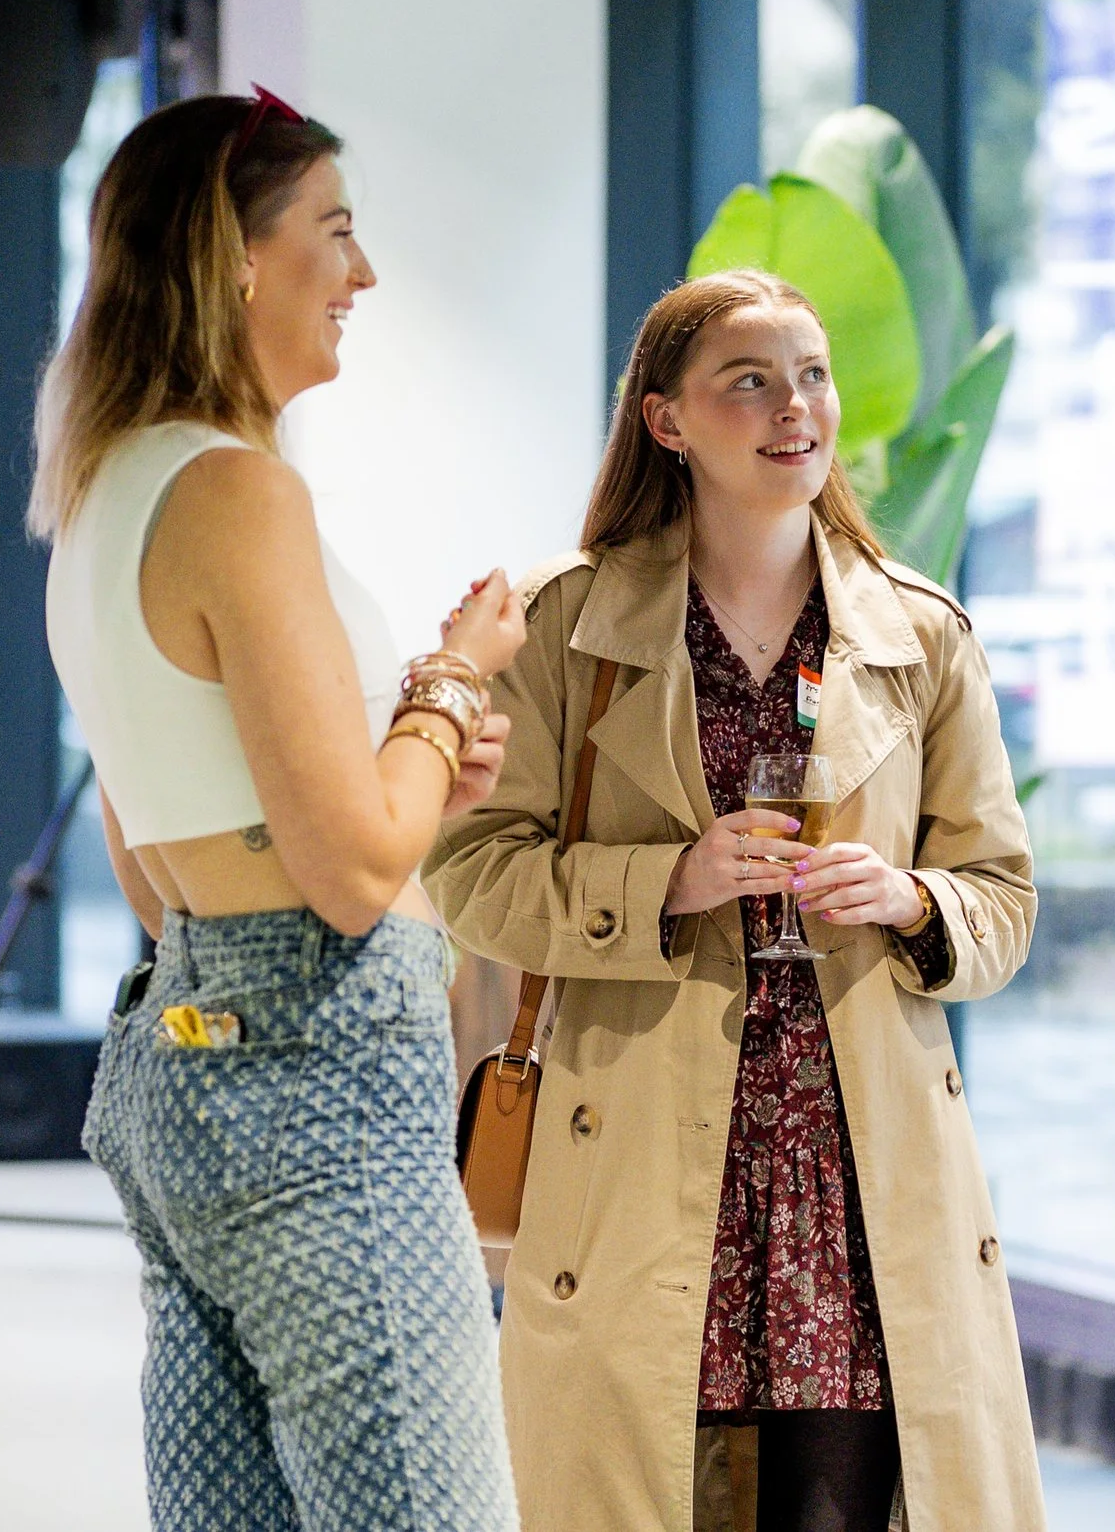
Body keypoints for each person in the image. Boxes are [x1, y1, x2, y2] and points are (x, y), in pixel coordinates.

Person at [424, 269, 1046, 1532]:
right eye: (748, 381)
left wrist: (912, 899)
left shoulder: (920, 634)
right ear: (665, 420)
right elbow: (472, 876)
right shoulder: (566, 622)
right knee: (641, 1487)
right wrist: (669, 880)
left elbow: (1003, 899)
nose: (794, 408)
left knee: (848, 1503)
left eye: (809, 375)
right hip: (644, 1149)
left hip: (853, 1168)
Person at [32, 87, 530, 1532]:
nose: (361, 276)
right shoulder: (241, 492)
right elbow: (354, 868)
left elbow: (154, 853)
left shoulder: (106, 488)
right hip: (324, 1087)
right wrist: (449, 683)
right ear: (236, 258)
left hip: (190, 1064)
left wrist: (411, 764)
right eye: (337, 233)